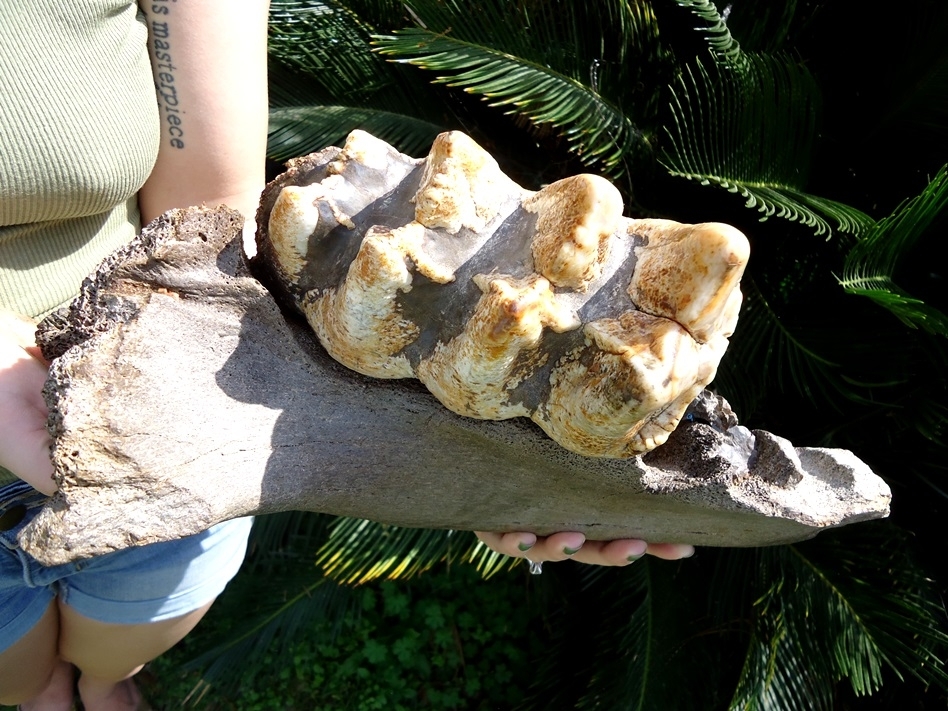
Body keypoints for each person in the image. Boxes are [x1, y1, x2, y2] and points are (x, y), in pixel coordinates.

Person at [0, 2, 692, 709]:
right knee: (23, 677)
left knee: (117, 643)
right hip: (137, 437)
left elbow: (201, 228)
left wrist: (474, 437)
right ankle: (51, 693)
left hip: (163, 428)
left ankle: (97, 679)